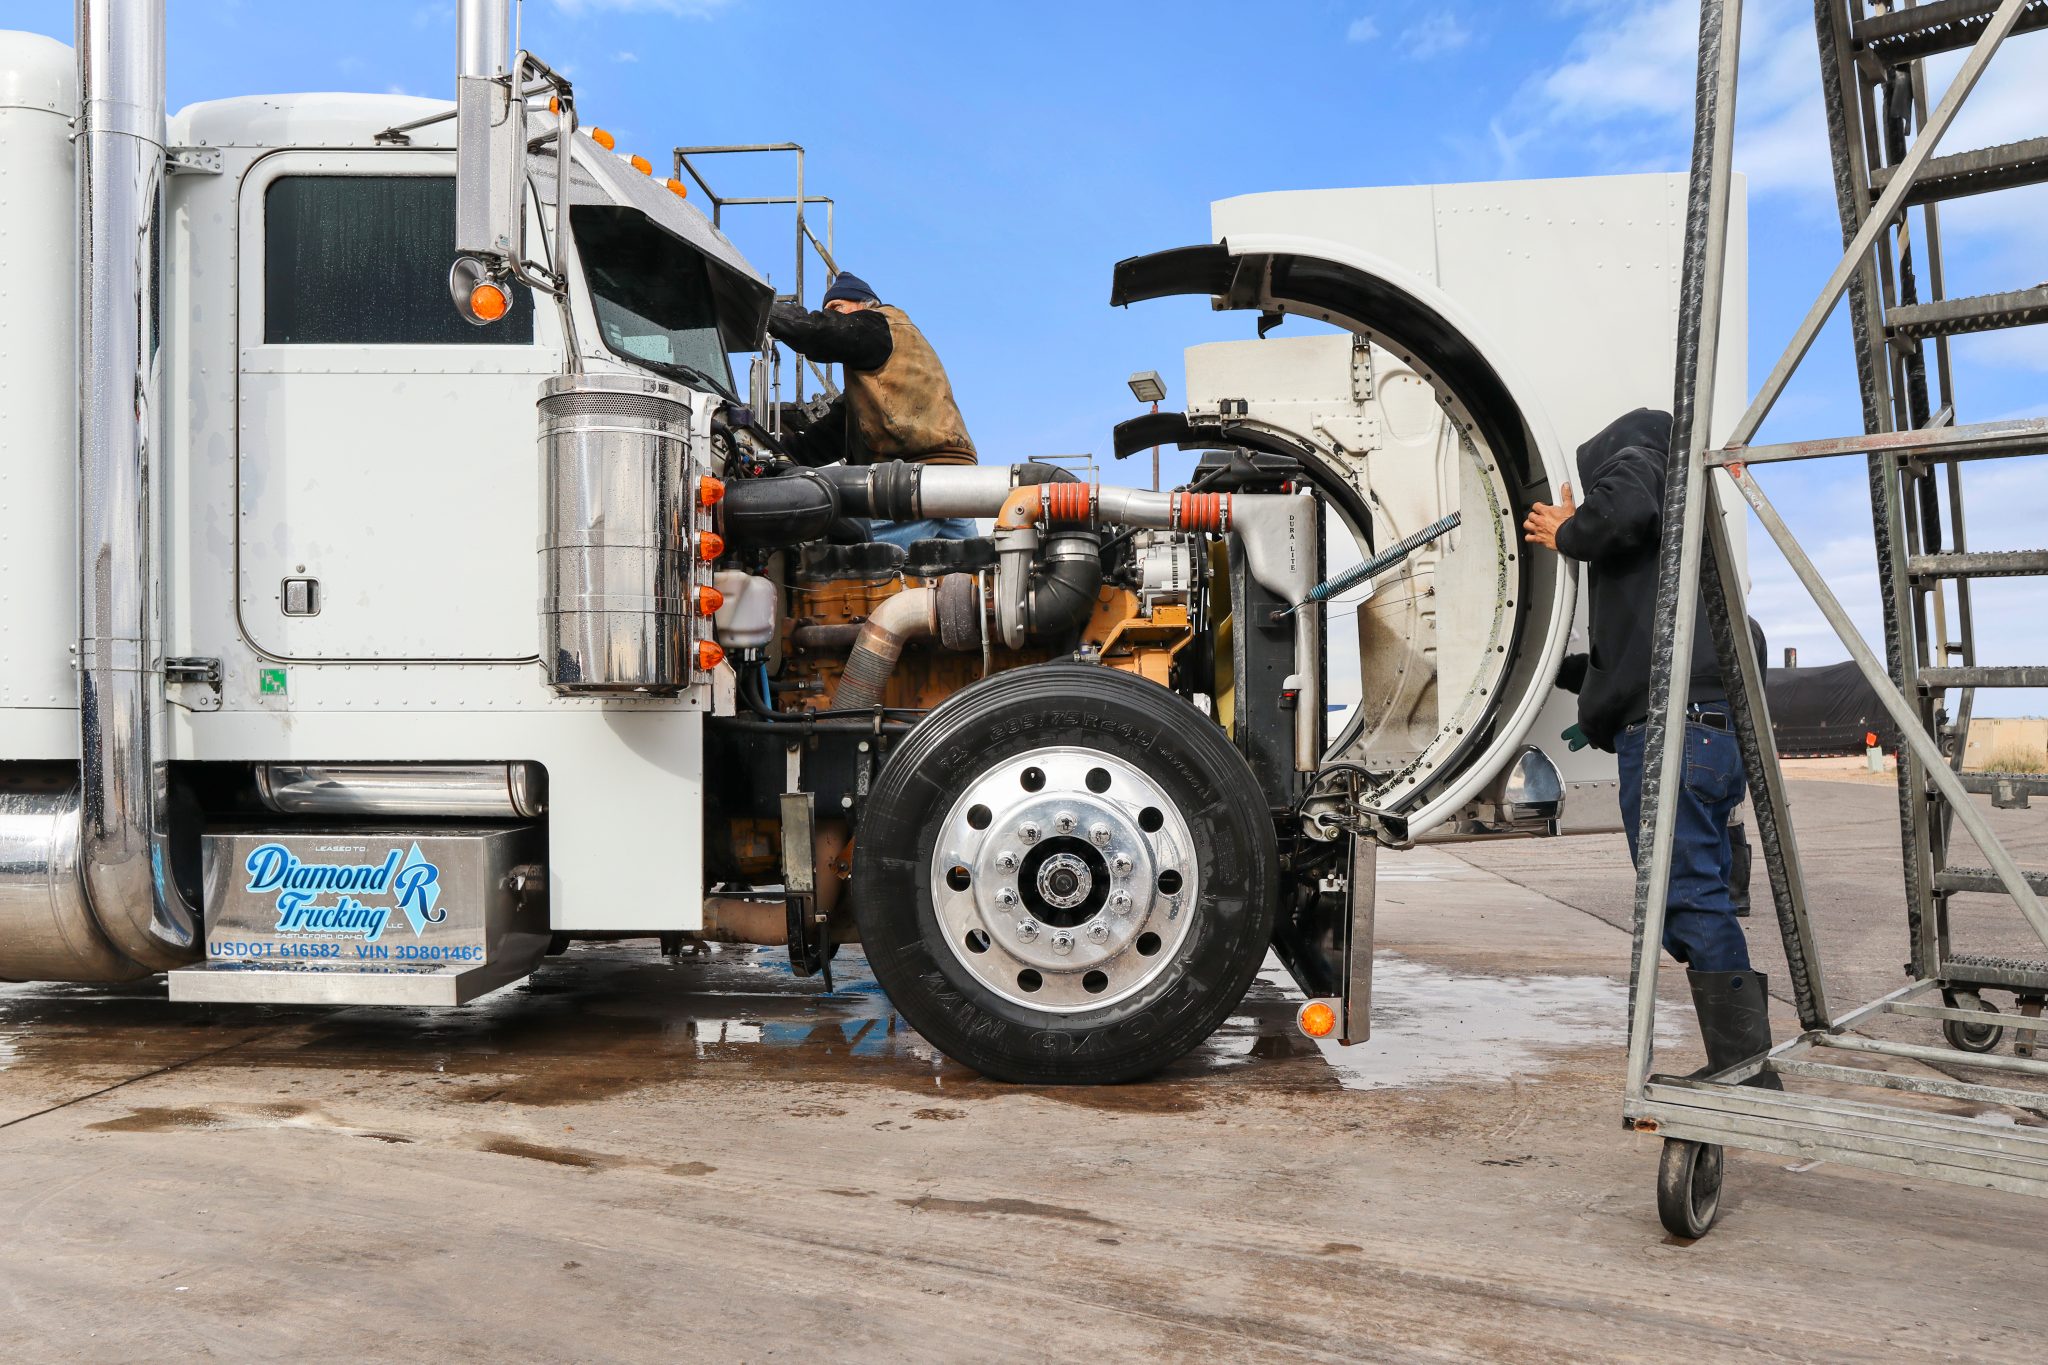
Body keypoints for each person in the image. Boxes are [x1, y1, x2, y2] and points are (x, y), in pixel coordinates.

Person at [1521, 408, 1777, 1086]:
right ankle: (1742, 1059)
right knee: (1690, 896)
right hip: (1705, 728)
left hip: (1674, 729)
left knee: (1688, 897)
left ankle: (1746, 1069)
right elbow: (1633, 658)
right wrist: (1567, 677)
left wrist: (1569, 530)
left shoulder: (1639, 454)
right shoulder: (1680, 558)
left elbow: (1622, 509)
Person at [766, 273, 979, 546]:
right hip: (959, 481)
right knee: (969, 574)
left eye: (837, 308)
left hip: (915, 478)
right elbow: (828, 437)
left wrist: (767, 313)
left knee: (846, 560)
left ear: (865, 304)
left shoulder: (880, 324)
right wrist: (775, 456)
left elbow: (820, 331)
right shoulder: (877, 381)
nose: (832, 316)